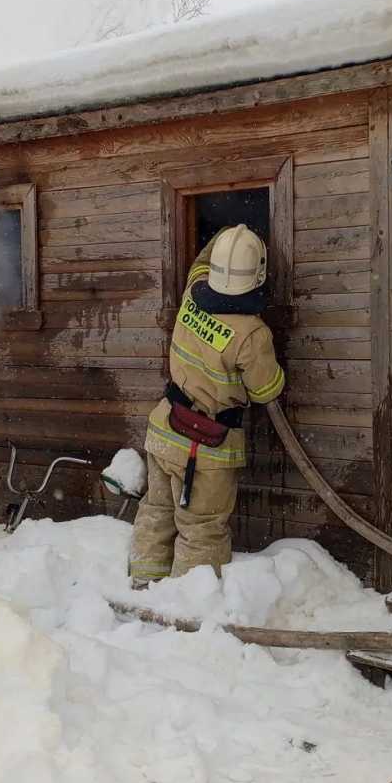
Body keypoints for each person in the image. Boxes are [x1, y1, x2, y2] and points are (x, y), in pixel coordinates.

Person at [129, 224, 285, 585]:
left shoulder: (192, 295)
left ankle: (142, 584)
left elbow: (201, 262)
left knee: (157, 510)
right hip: (205, 447)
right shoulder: (252, 333)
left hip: (165, 426)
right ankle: (190, 608)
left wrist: (229, 231)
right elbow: (266, 390)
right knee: (201, 528)